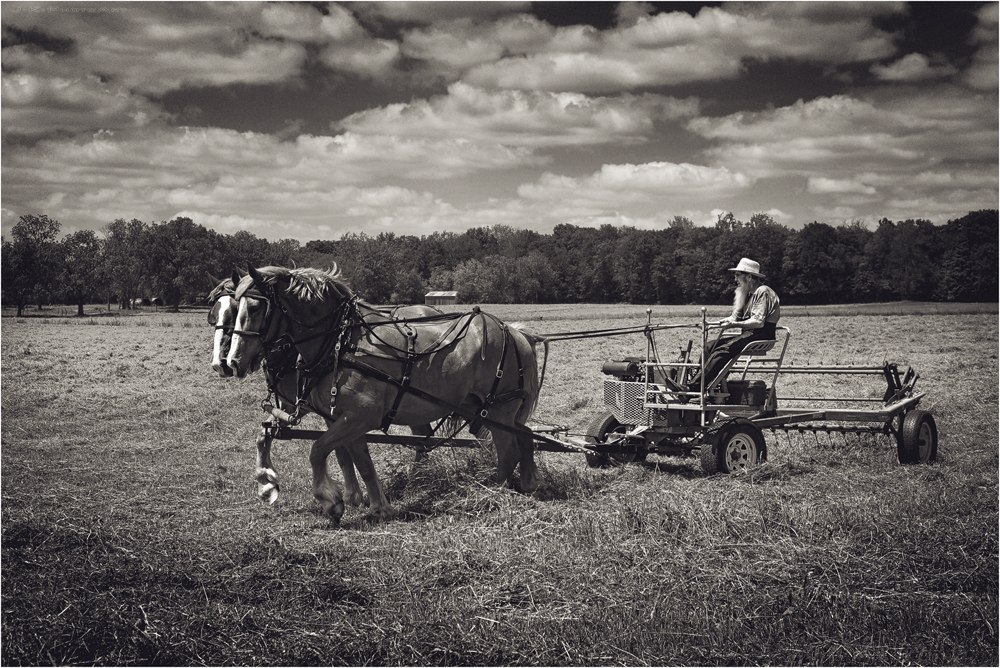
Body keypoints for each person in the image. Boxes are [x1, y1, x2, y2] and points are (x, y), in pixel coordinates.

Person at [686, 257, 780, 392]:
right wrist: (712, 324)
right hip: (749, 334)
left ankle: (694, 387)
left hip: (762, 335)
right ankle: (709, 381)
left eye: (738, 275)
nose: (735, 279)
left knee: (722, 350)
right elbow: (734, 318)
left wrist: (734, 324)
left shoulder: (763, 291)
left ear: (748, 277)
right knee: (709, 346)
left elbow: (758, 322)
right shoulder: (746, 293)